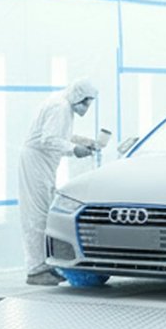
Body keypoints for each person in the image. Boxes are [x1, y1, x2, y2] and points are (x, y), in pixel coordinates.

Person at [19, 81, 101, 286]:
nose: (86, 107)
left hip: (42, 164)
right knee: (37, 216)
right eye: (86, 102)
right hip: (36, 162)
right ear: (77, 96)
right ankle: (36, 270)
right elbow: (48, 139)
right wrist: (74, 150)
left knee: (44, 213)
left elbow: (59, 134)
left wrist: (84, 141)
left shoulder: (62, 104)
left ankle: (46, 265)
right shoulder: (61, 107)